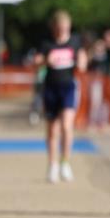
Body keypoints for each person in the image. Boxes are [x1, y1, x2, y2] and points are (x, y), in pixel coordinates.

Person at [34, 10, 87, 183]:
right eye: (59, 28)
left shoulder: (75, 42)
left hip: (68, 87)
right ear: (54, 28)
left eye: (65, 28)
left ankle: (65, 162)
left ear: (69, 27)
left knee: (66, 124)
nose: (62, 31)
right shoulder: (47, 43)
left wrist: (82, 61)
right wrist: (44, 61)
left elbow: (83, 63)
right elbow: (36, 61)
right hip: (50, 87)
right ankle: (53, 165)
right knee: (52, 129)